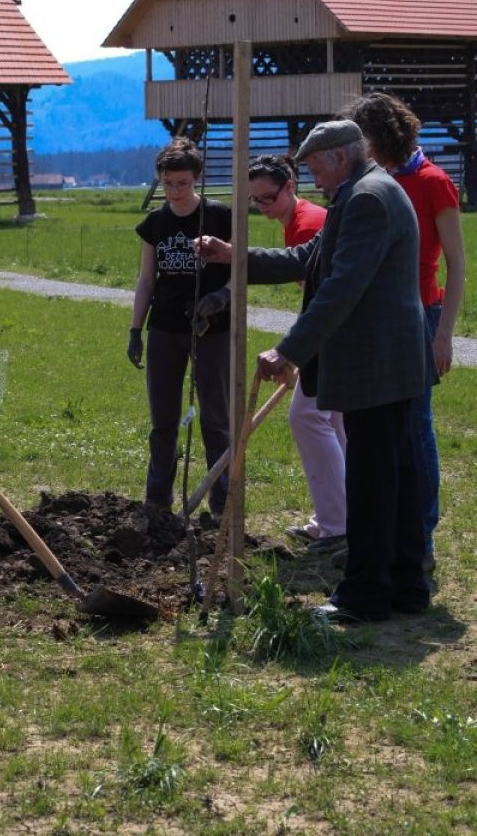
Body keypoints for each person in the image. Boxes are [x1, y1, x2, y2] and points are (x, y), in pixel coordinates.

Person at [197, 120, 436, 623]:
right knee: (396, 475)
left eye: (314, 169)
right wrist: (233, 256)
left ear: (340, 159)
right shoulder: (363, 193)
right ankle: (407, 586)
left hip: (377, 364)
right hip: (388, 363)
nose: (313, 182)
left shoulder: (367, 198)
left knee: (373, 481)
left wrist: (289, 350)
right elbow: (310, 257)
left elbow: (341, 288)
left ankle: (366, 594)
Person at [340, 93, 465, 574]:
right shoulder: (367, 183)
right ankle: (385, 535)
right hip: (374, 322)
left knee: (415, 429)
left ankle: (422, 538)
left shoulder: (433, 182)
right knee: (380, 432)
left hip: (420, 318)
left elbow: (456, 267)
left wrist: (444, 335)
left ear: (379, 137)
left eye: (361, 137)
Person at [127, 137, 232, 517]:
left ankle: (222, 501)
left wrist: (224, 295)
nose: (175, 191)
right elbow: (146, 279)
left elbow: (242, 266)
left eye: (183, 183)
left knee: (216, 418)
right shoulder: (155, 223)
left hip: (212, 328)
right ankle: (158, 499)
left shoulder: (221, 217)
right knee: (163, 419)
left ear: (197, 181)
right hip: (166, 327)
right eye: (169, 183)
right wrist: (136, 329)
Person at [247, 155, 346, 551]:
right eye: (256, 201)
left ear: (291, 187)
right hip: (332, 338)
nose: (263, 207)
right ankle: (338, 519)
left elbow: (322, 302)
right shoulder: (296, 222)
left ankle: (335, 526)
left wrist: (295, 353)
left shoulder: (308, 224)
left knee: (307, 418)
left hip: (334, 338)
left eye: (268, 197)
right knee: (337, 423)